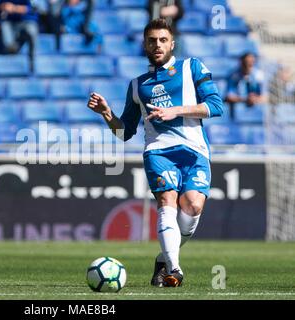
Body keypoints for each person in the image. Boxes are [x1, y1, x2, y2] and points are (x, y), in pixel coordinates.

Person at [87, 19, 223, 287]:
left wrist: (176, 110)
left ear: (172, 43)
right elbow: (124, 132)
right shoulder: (137, 85)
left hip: (195, 150)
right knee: (166, 202)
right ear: (145, 45)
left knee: (193, 206)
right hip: (158, 151)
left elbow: (216, 106)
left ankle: (163, 259)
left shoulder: (191, 67)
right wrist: (106, 113)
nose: (157, 45)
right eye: (152, 40)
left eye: (163, 40)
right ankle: (174, 269)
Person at [0, 0, 38, 71]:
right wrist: (5, 6)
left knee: (32, 30)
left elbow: (33, 8)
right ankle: (15, 48)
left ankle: (32, 61)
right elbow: (0, 6)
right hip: (9, 21)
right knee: (10, 45)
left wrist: (14, 8)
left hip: (25, 21)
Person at [226, 52, 268, 119]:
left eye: (251, 62)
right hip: (238, 111)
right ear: (241, 63)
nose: (249, 65)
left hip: (256, 111)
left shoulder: (259, 76)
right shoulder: (234, 76)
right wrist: (245, 99)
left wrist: (255, 99)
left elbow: (265, 98)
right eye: (246, 62)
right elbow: (229, 96)